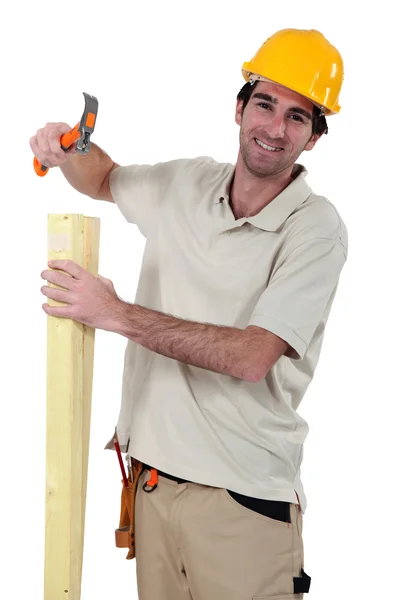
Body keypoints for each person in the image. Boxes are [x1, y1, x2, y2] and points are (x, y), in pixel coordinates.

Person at [31, 28, 347, 600]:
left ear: (314, 138)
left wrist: (116, 313)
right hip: (153, 486)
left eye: (298, 117)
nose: (275, 128)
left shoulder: (315, 229)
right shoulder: (187, 183)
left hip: (240, 501)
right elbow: (103, 178)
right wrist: (69, 147)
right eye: (265, 103)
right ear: (239, 107)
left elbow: (252, 356)